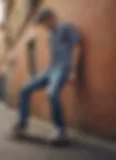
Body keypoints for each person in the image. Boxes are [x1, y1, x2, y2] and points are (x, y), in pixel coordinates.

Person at [13, 8, 81, 143]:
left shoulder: (66, 27)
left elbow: (78, 46)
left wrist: (73, 71)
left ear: (52, 18)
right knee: (25, 89)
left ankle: (60, 131)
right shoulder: (50, 36)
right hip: (50, 70)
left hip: (63, 68)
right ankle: (22, 124)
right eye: (42, 24)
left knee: (51, 94)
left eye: (44, 23)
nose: (44, 27)